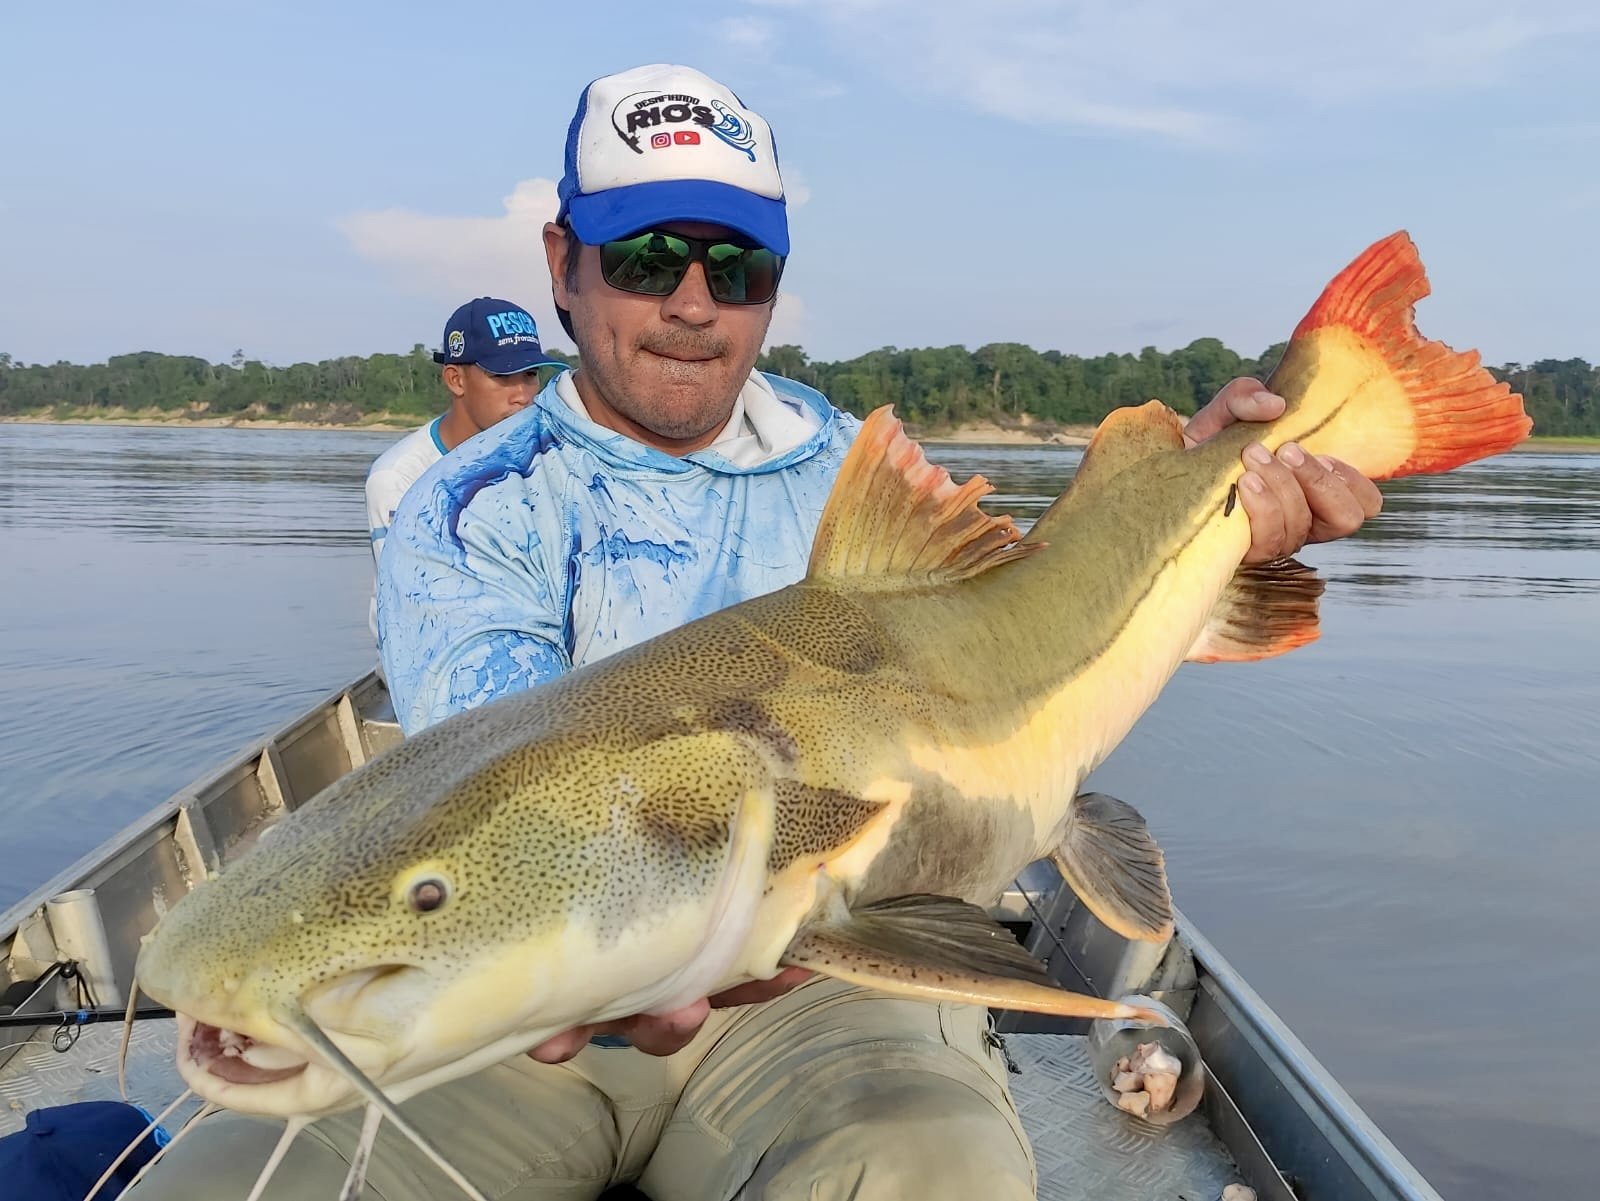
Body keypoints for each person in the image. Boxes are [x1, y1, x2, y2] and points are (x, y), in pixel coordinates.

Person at [144, 63, 1382, 1201]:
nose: (692, 302)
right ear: (562, 261)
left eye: (735, 268)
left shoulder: (851, 474)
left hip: (832, 984)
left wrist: (1210, 492)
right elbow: (494, 781)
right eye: (646, 256)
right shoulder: (467, 506)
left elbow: (1049, 593)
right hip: (536, 1031)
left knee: (934, 1170)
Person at [363, 297, 563, 639]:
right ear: (456, 380)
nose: (523, 395)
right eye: (503, 376)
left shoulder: (552, 455)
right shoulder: (400, 478)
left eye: (530, 375)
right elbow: (420, 609)